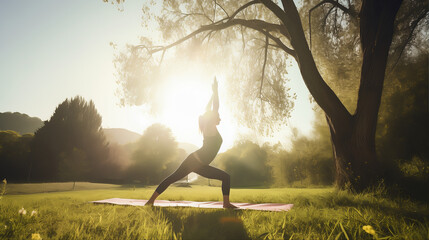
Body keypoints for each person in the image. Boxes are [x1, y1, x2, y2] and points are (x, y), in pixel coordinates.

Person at [145, 77, 237, 208]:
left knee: (225, 177)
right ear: (212, 117)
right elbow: (215, 107)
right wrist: (216, 92)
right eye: (218, 116)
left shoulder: (208, 125)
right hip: (194, 161)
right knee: (173, 178)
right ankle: (150, 201)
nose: (220, 118)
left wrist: (212, 94)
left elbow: (208, 108)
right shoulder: (209, 127)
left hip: (201, 165)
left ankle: (226, 204)